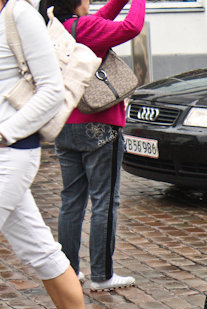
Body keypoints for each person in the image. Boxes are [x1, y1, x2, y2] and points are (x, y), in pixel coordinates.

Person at [0, 0, 106, 309]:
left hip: (11, 154)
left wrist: (6, 132)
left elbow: (51, 90)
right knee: (41, 251)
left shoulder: (20, 14)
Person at [39, 0, 145, 292]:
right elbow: (131, 27)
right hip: (100, 123)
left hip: (65, 123)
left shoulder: (58, 28)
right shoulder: (86, 27)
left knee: (71, 200)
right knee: (105, 200)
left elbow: (103, 16)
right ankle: (102, 274)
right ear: (75, 3)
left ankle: (70, 270)